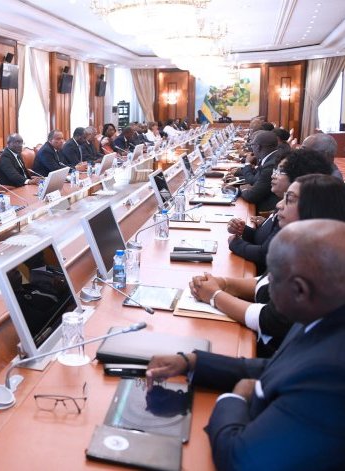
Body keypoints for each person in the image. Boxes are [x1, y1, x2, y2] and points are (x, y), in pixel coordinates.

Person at [147, 219, 345, 470]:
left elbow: (240, 459)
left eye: (273, 279)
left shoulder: (332, 373)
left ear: (299, 290)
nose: (265, 285)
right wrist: (193, 362)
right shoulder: (322, 314)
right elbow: (279, 368)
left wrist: (236, 397)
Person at [194, 174, 345, 358]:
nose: (279, 205)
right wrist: (224, 283)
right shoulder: (301, 244)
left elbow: (269, 320)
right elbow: (266, 281)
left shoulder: (323, 263)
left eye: (289, 200)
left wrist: (214, 296)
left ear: (315, 209)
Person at [227, 149, 332, 273]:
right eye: (275, 170)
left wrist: (234, 243)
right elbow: (262, 238)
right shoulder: (283, 202)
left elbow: (266, 253)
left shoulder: (298, 214)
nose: (273, 175)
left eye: (280, 171)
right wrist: (242, 229)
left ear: (299, 176)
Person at [236, 130, 281, 213]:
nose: (251, 149)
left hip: (265, 209)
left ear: (258, 147)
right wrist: (237, 180)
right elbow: (256, 179)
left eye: (252, 145)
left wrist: (239, 190)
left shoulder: (271, 164)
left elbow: (252, 196)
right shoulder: (271, 158)